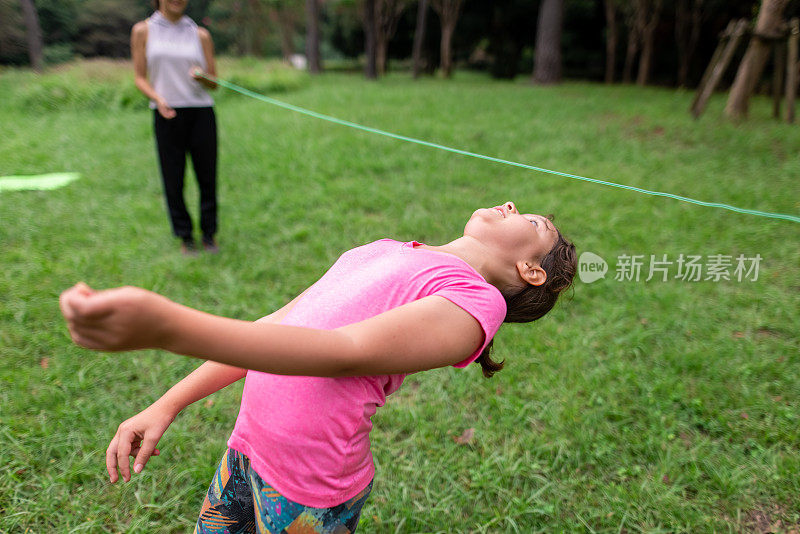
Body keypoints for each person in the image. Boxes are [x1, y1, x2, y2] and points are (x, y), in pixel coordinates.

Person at [60, 201, 577, 533]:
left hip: (311, 491)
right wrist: (169, 402)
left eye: (532, 222)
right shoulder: (389, 249)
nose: (512, 205)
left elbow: (343, 350)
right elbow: (275, 325)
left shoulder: (475, 303)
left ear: (530, 270)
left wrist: (168, 329)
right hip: (247, 451)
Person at [131, 0, 220, 255]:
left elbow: (214, 81)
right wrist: (157, 98)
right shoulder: (143, 30)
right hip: (166, 111)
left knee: (207, 176)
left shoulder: (199, 34)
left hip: (201, 112)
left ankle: (209, 234)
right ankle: (185, 236)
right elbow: (139, 77)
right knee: (173, 177)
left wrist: (203, 77)